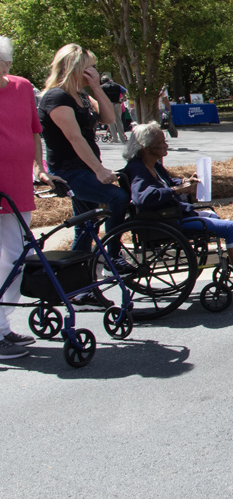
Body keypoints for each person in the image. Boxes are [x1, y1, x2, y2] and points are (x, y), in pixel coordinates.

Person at [123, 122, 233, 304]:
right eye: (161, 141)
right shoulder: (138, 169)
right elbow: (144, 198)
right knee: (232, 227)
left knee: (215, 218)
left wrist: (185, 182)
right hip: (166, 222)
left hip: (174, 216)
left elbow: (168, 182)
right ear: (146, 147)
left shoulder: (152, 165)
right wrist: (176, 190)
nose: (166, 145)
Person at [38, 43, 133, 297]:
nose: (94, 71)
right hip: (69, 171)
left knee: (86, 225)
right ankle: (113, 256)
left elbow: (109, 119)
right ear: (75, 68)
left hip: (84, 168)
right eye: (90, 67)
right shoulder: (56, 97)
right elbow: (75, 138)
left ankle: (76, 286)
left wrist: (96, 89)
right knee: (118, 198)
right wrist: (99, 170)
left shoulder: (80, 95)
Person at [0, 37, 53, 359]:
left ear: (5, 64)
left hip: (17, 189)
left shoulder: (21, 88)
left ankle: (3, 327)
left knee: (14, 258)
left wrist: (41, 167)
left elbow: (35, 131)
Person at [99, 74, 128, 143]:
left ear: (103, 81)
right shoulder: (117, 86)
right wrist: (123, 100)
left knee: (110, 121)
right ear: (109, 79)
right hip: (117, 104)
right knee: (119, 121)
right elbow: (125, 92)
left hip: (108, 105)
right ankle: (122, 138)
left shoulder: (102, 87)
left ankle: (115, 138)